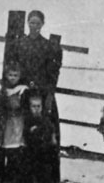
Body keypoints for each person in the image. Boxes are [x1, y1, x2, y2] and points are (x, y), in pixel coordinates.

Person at [5, 9, 63, 140]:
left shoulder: (48, 46)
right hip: (22, 90)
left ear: (42, 24)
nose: (34, 26)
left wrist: (47, 93)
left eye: (37, 23)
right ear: (27, 23)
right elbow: (13, 68)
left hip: (41, 90)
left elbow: (52, 72)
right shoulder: (19, 44)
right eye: (32, 23)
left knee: (44, 126)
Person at [0, 62, 29, 183]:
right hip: (5, 122)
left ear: (19, 76)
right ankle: (1, 179)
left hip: (16, 123)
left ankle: (12, 180)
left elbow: (22, 107)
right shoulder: (3, 90)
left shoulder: (22, 90)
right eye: (10, 75)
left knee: (14, 152)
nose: (12, 78)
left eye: (15, 75)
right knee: (2, 151)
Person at [24, 93, 60, 183]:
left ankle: (47, 182)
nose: (36, 109)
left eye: (38, 106)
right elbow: (25, 132)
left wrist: (52, 138)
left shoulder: (44, 119)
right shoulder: (28, 119)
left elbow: (51, 128)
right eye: (33, 106)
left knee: (47, 160)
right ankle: (32, 181)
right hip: (32, 146)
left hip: (43, 145)